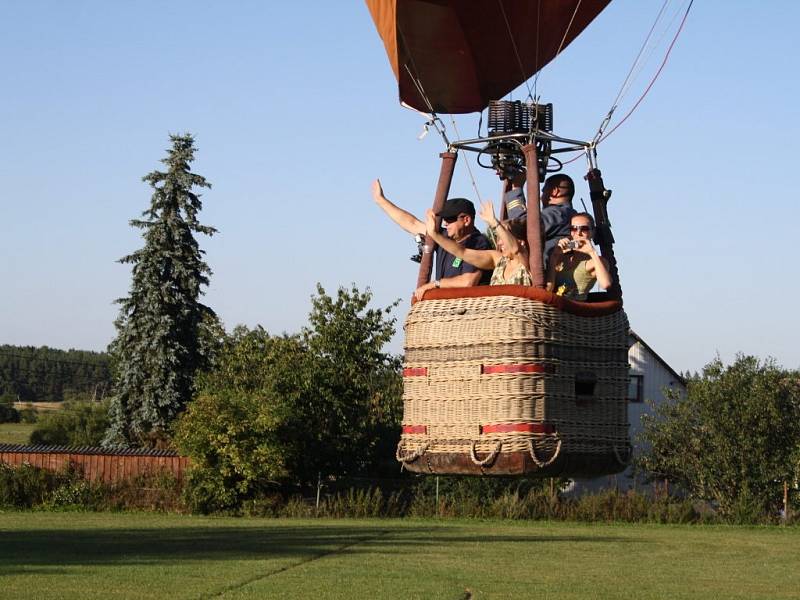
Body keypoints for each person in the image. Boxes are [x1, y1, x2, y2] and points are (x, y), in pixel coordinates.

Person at [372, 179, 491, 300]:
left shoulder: (478, 243)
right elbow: (412, 223)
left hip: (468, 311)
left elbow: (468, 281)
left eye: (450, 219)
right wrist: (381, 201)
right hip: (445, 308)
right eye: (444, 219)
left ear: (466, 220)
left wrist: (435, 284)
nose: (445, 223)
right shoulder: (443, 237)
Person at [424, 200, 532, 287]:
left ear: (520, 242)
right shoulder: (497, 259)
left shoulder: (524, 262)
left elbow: (514, 249)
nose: (499, 242)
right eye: (499, 238)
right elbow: (462, 252)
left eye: (503, 238)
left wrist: (494, 223)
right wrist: (434, 235)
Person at [546, 212, 612, 301]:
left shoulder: (594, 262)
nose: (578, 233)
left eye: (584, 229)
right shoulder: (561, 257)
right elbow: (548, 289)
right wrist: (554, 256)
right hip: (554, 306)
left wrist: (592, 252)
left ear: (593, 232)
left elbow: (605, 284)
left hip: (574, 310)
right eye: (573, 229)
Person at [541, 174, 577, 268]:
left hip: (547, 272)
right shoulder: (572, 214)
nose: (541, 197)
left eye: (544, 191)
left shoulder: (556, 213)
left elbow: (527, 228)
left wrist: (516, 191)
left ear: (554, 191)